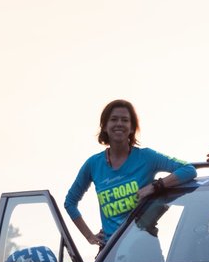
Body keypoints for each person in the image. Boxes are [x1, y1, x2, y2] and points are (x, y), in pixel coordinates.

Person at [64, 99, 196, 248]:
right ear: (105, 127)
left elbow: (188, 170)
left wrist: (155, 186)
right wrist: (89, 236)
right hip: (110, 253)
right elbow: (70, 203)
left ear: (132, 128)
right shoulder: (93, 164)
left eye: (125, 120)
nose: (119, 123)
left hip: (144, 247)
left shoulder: (147, 157)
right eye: (113, 119)